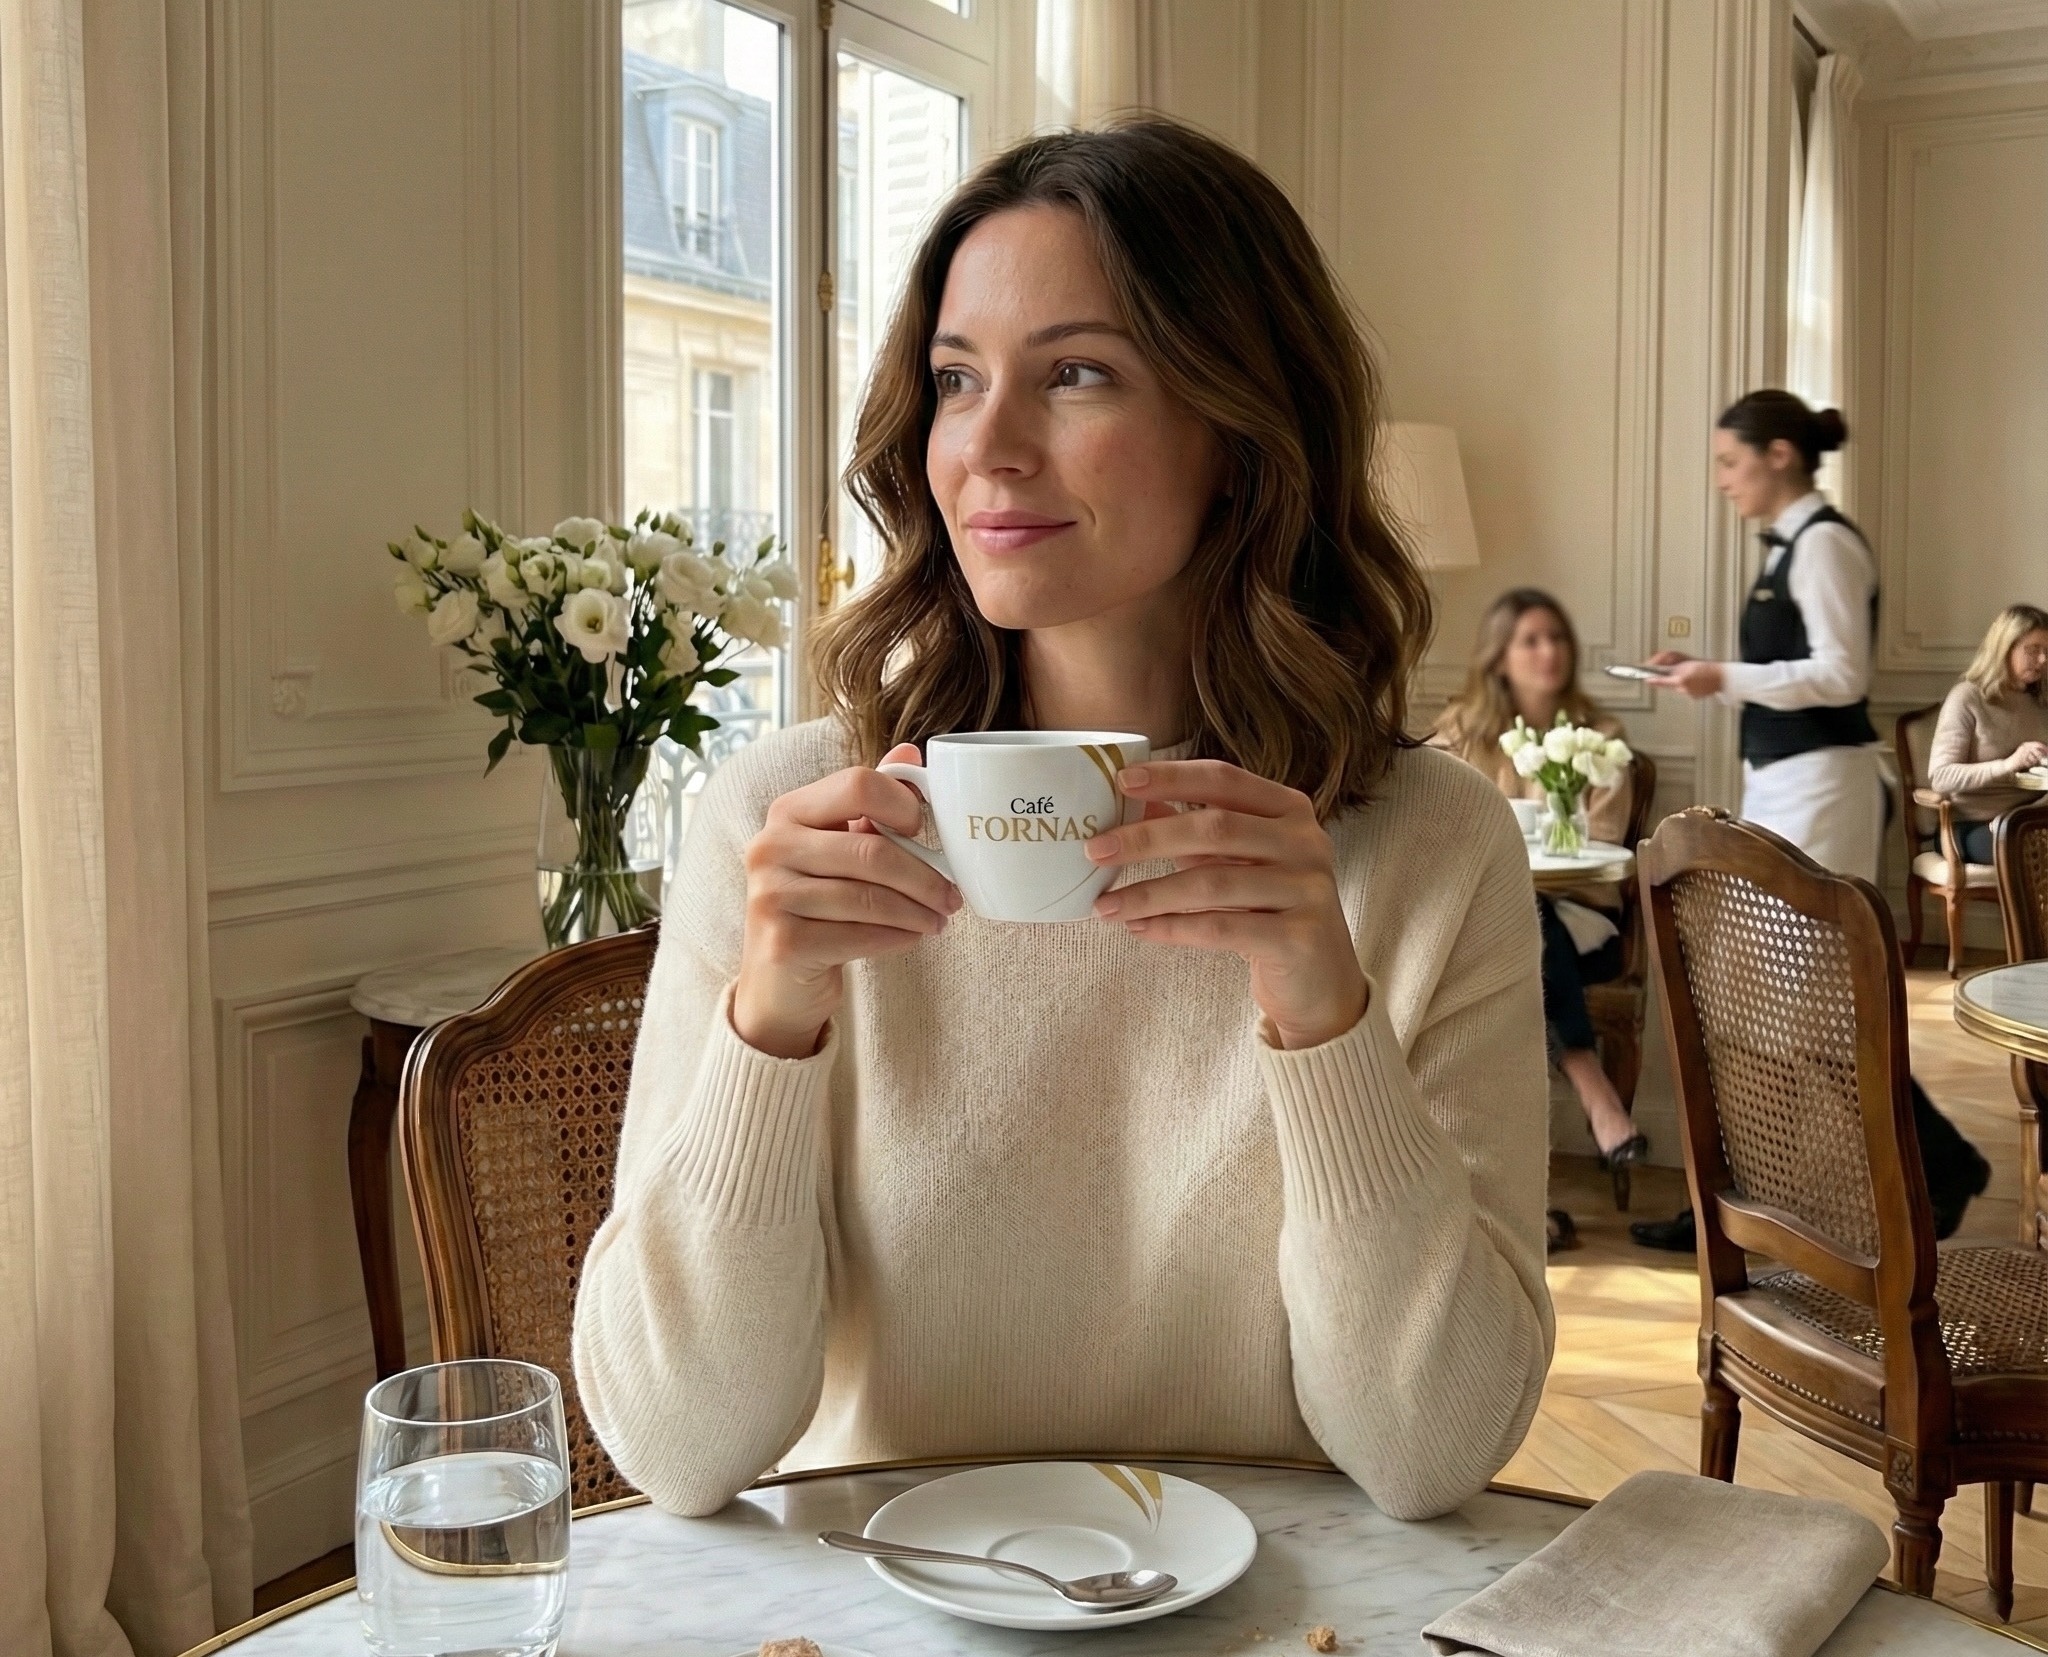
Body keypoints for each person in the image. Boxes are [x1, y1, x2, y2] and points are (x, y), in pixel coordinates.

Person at [570, 118, 1553, 1522]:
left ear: (1243, 428)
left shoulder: (1432, 845)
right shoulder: (785, 819)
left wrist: (1325, 1012)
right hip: (881, 1618)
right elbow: (675, 1445)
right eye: (957, 380)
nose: (988, 448)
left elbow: (1429, 1450)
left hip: (1282, 1622)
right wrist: (772, 1021)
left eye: (1076, 373)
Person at [1632, 390, 1987, 1250]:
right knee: (1782, 1008)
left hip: (1822, 787)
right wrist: (1712, 671)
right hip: (1786, 784)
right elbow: (1792, 671)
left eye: (1730, 461)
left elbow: (1840, 675)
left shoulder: (1824, 544)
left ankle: (1763, 1193)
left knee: (1798, 1008)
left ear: (1780, 454)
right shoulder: (1791, 547)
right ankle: (1766, 1190)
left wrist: (1724, 674)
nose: (1721, 479)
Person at [1430, 591, 1649, 1227]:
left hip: (1583, 917)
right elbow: (1440, 826)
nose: (1549, 651)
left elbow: (1603, 836)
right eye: (1531, 640)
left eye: (1557, 637)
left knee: (1523, 924)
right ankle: (1592, 1091)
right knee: (1513, 933)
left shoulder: (1599, 737)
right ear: (1499, 657)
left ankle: (1527, 1203)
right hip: (1496, 924)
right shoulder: (1460, 732)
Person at [1929, 604, 2048, 864]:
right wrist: (2008, 765)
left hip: (2029, 821)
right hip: (1972, 826)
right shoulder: (1967, 697)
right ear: (2006, 648)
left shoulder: (2040, 702)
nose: (2043, 660)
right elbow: (1940, 777)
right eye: (2033, 650)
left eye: (2047, 651)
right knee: (2031, 851)